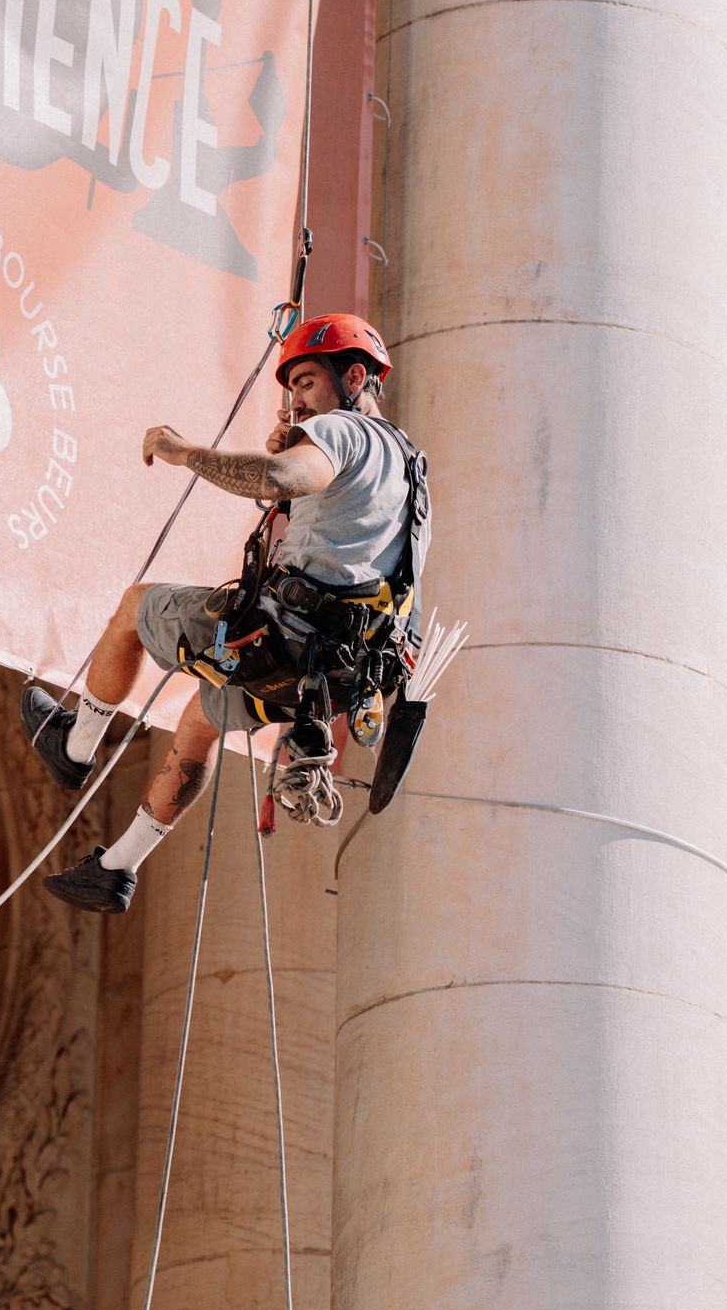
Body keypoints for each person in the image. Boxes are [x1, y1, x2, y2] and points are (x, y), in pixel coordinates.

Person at [21, 314, 428, 913]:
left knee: (138, 608)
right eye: (293, 393)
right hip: (329, 682)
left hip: (276, 641)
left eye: (309, 383)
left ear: (356, 377)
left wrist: (184, 451)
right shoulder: (410, 468)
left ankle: (76, 746)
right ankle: (115, 869)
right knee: (199, 722)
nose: (299, 404)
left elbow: (278, 478)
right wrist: (301, 446)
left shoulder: (342, 431)